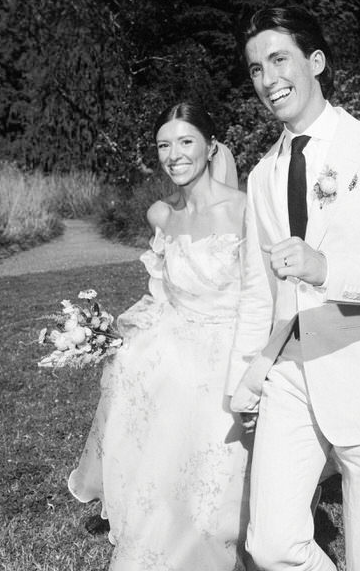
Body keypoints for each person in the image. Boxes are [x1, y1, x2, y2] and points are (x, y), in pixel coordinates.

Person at [230, 5, 360, 571]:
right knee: (270, 546)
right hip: (290, 376)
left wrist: (327, 268)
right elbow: (257, 288)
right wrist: (247, 375)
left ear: (315, 62)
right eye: (255, 69)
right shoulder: (261, 175)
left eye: (279, 60)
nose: (268, 79)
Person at [68, 102, 251, 570]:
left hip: (230, 350)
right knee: (143, 403)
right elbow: (160, 297)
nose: (174, 155)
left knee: (213, 483)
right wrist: (111, 335)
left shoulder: (248, 209)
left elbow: (264, 297)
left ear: (211, 147)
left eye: (185, 141)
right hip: (176, 344)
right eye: (163, 145)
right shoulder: (161, 216)